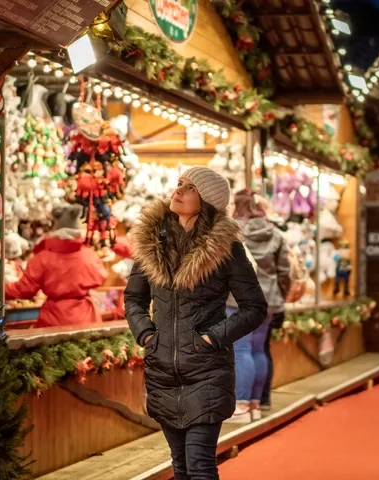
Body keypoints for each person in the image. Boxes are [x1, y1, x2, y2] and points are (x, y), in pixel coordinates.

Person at [125, 167, 267, 480]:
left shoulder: (226, 249)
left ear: (206, 202)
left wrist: (212, 338)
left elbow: (255, 307)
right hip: (162, 371)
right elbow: (133, 299)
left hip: (207, 370)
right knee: (180, 466)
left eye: (190, 188)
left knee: (200, 464)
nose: (178, 191)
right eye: (179, 184)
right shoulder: (152, 244)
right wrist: (147, 335)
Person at [227, 189, 291, 422]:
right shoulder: (275, 233)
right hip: (269, 299)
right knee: (257, 349)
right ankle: (255, 404)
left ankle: (241, 406)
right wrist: (279, 295)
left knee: (241, 350)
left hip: (239, 300)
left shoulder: (232, 231)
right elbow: (284, 271)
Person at [6, 204, 108, 327]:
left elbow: (24, 290)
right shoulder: (89, 255)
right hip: (87, 319)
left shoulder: (42, 258)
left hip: (54, 320)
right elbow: (102, 277)